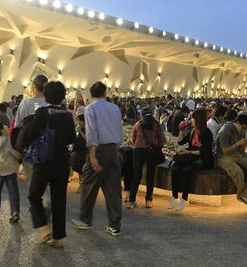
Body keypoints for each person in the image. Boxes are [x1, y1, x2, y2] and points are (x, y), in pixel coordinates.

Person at [26, 81, 76, 248]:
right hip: (62, 160)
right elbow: (71, 139)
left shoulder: (41, 112)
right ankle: (58, 238)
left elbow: (31, 134)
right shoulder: (68, 115)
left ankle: (44, 228)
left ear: (45, 95)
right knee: (59, 198)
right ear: (62, 97)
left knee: (34, 194)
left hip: (44, 159)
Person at [72, 82, 124, 236]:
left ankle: (85, 219)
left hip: (99, 149)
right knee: (113, 188)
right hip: (113, 149)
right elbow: (119, 130)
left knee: (88, 183)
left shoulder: (91, 108)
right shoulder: (114, 108)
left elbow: (92, 134)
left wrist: (93, 157)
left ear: (91, 93)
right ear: (105, 92)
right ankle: (115, 225)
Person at [14, 75, 49, 207]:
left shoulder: (26, 103)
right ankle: (44, 199)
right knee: (43, 175)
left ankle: (42, 202)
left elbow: (18, 125)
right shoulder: (50, 103)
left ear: (34, 86)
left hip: (29, 146)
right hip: (47, 145)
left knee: (31, 177)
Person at [170, 109, 214, 211]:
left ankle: (184, 198)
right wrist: (181, 129)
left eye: (193, 118)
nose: (191, 120)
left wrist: (187, 152)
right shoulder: (193, 131)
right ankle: (174, 196)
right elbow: (180, 142)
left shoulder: (207, 133)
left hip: (203, 158)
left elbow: (204, 152)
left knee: (186, 170)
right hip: (191, 157)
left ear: (198, 120)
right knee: (175, 168)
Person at [216, 113, 247, 209]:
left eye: (245, 129)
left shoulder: (242, 132)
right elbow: (224, 151)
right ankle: (243, 196)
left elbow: (239, 150)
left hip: (236, 155)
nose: (243, 130)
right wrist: (238, 143)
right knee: (237, 171)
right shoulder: (225, 130)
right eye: (243, 128)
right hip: (222, 157)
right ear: (237, 123)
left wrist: (244, 144)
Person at [127, 106, 164, 209]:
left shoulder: (138, 124)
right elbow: (160, 139)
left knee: (137, 176)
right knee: (150, 176)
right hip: (151, 151)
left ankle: (131, 201)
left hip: (138, 151)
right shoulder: (156, 124)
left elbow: (133, 139)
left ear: (142, 114)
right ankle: (148, 200)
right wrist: (159, 147)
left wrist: (137, 145)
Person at [0, 121, 21, 222]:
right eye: (4, 125)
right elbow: (16, 154)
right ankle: (15, 212)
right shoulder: (8, 141)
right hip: (10, 169)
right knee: (13, 191)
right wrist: (21, 156)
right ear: (2, 130)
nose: (7, 126)